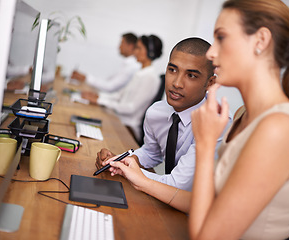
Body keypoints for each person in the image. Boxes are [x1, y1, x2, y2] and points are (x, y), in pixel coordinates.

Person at [188, 0, 289, 239]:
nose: (211, 52)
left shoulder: (278, 129)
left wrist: (205, 143)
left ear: (260, 41)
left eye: (221, 37)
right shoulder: (245, 113)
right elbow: (214, 204)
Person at [96, 37, 231, 194]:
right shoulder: (156, 112)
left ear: (210, 83)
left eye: (191, 75)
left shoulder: (217, 123)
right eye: (172, 70)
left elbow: (177, 185)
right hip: (165, 201)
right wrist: (120, 160)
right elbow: (151, 153)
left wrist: (124, 170)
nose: (177, 83)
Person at [82, 35, 163, 141]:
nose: (135, 52)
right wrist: (98, 97)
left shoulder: (150, 77)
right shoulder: (140, 72)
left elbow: (130, 108)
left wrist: (100, 100)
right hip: (119, 120)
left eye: (139, 48)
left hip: (128, 127)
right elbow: (120, 95)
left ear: (150, 53)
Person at [70, 32, 140, 92]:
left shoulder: (131, 67)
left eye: (122, 43)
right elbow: (108, 82)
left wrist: (85, 78)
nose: (119, 47)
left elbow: (110, 87)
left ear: (130, 46)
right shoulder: (127, 64)